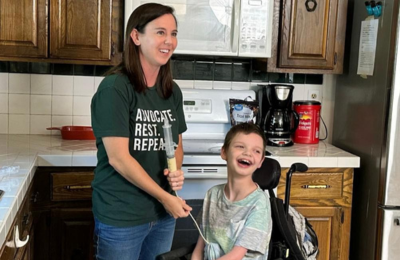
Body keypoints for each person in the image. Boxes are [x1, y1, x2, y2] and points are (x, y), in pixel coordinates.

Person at [90, 3, 192, 260]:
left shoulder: (172, 91)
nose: (169, 41)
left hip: (162, 215)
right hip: (122, 216)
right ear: (136, 36)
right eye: (160, 32)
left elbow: (176, 145)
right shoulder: (115, 88)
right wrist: (165, 197)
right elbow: (119, 158)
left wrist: (175, 172)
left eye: (174, 33)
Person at [192, 123, 272, 260]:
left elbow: (236, 256)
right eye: (240, 146)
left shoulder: (259, 203)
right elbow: (200, 248)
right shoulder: (212, 195)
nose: (248, 153)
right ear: (224, 152)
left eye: (256, 151)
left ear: (260, 161)